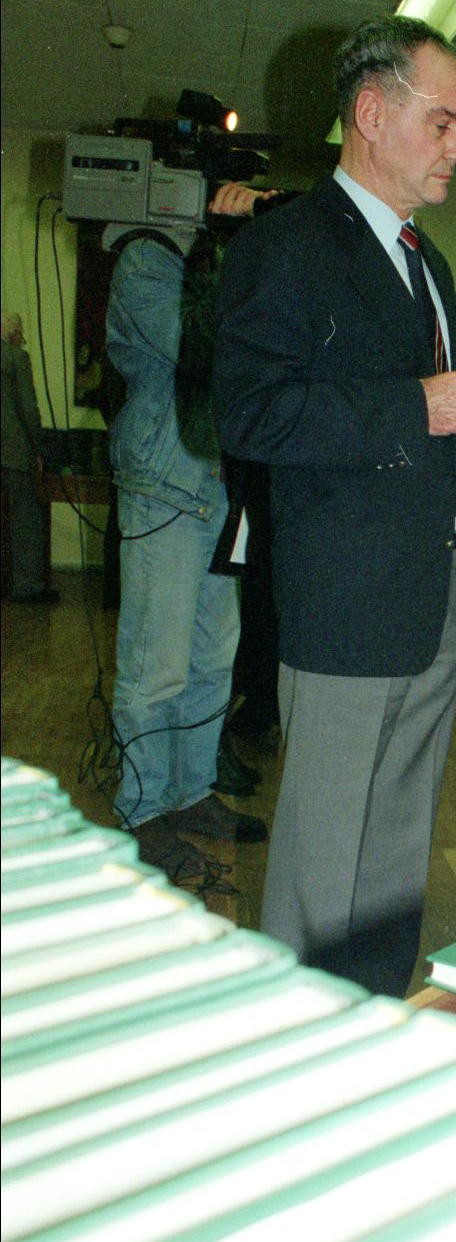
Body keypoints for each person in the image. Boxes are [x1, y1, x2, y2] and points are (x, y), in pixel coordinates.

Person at [214, 14, 456, 997]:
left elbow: (427, 413)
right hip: (345, 598)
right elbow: (248, 414)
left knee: (398, 831)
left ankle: (373, 1009)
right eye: (444, 124)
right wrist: (412, 406)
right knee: (324, 846)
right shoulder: (287, 245)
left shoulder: (425, 259)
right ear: (371, 113)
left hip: (436, 589)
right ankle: (298, 1033)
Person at [106, 185, 267, 883]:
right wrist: (231, 250)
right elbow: (198, 350)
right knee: (156, 667)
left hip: (219, 491)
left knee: (211, 661)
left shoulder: (209, 266)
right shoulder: (145, 260)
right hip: (166, 486)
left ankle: (190, 793)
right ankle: (141, 814)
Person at [1, 311, 57, 604]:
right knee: (25, 520)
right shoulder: (16, 358)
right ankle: (28, 586)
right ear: (13, 334)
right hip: (12, 452)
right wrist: (40, 447)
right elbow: (27, 408)